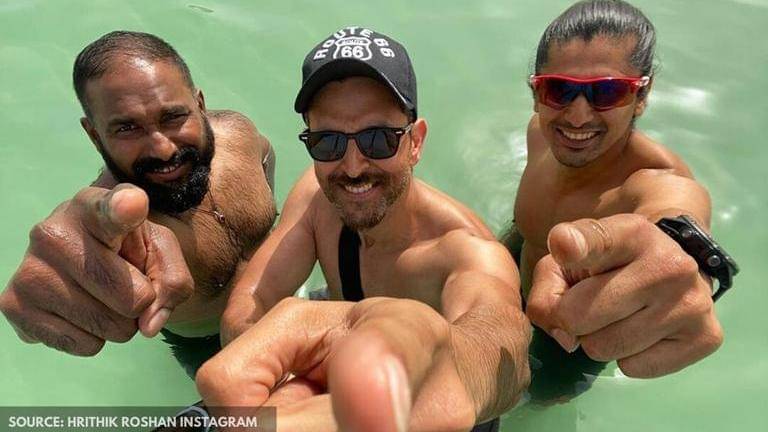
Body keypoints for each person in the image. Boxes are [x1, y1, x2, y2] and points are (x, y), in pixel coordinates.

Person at [196, 27, 531, 432]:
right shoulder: (317, 196)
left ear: (416, 142)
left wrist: (442, 373)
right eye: (328, 142)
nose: (353, 167)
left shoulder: (465, 250)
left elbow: (501, 349)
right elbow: (251, 303)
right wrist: (291, 384)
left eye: (378, 139)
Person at [0, 31, 277, 376]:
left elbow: (267, 158)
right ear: (94, 135)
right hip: (208, 343)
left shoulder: (240, 135)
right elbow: (70, 247)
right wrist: (33, 305)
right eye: (127, 128)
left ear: (200, 105)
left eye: (173, 117)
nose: (163, 149)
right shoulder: (120, 233)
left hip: (288, 296)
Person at [505, 0, 729, 381]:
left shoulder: (654, 177)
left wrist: (687, 258)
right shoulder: (539, 136)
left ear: (642, 95)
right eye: (558, 90)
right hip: (515, 274)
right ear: (536, 91)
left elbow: (674, 216)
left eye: (607, 92)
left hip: (573, 337)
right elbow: (528, 230)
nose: (577, 116)